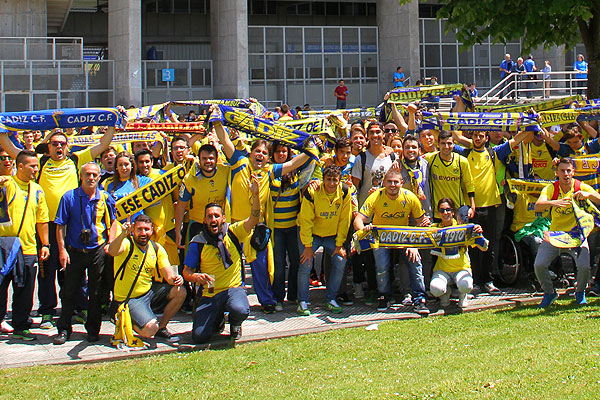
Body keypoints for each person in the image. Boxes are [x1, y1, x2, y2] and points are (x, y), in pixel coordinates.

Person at [0, 126, 115, 330]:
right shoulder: (40, 161)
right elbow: (13, 152)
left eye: (62, 143)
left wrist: (114, 123)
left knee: (72, 270)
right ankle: (47, 311)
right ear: (48, 147)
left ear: (67, 146)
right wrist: (2, 130)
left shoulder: (76, 159)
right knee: (47, 270)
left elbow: (103, 145)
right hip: (46, 225)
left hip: (71, 225)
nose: (59, 147)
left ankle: (79, 308)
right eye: (55, 144)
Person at [212, 117, 311, 313]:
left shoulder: (270, 171)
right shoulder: (238, 162)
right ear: (251, 153)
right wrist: (216, 121)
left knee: (261, 268)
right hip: (234, 227)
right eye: (258, 151)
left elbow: (293, 164)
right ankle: (227, 304)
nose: (261, 154)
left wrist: (310, 146)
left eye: (265, 153)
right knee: (229, 266)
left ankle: (266, 301)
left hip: (257, 229)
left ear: (268, 158)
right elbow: (225, 141)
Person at [182, 175, 261, 343]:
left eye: (217, 216)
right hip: (210, 292)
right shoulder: (198, 242)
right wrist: (196, 277)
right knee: (199, 337)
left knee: (240, 309)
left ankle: (235, 323)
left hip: (233, 288)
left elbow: (254, 218)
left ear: (223, 218)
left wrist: (255, 195)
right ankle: (216, 319)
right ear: (204, 219)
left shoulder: (234, 232)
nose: (213, 220)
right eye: (209, 216)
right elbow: (186, 272)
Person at [53, 162, 116, 345]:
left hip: (97, 250)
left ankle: (93, 330)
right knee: (69, 292)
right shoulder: (69, 197)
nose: (91, 178)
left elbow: (113, 221)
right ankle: (64, 329)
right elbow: (60, 226)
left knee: (96, 293)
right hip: (75, 251)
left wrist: (110, 243)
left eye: (94, 175)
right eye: (87, 174)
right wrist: (62, 250)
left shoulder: (104, 197)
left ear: (99, 177)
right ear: (81, 176)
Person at [354, 168, 431, 314]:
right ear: (384, 183)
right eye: (389, 182)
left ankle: (419, 299)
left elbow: (422, 222)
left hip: (403, 237)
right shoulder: (376, 196)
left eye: (396, 182)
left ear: (401, 183)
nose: (392, 185)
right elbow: (358, 219)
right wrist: (364, 230)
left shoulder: (410, 197)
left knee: (415, 262)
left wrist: (415, 242)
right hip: (382, 238)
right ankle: (384, 296)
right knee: (382, 267)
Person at [533, 158, 600, 308]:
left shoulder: (580, 186)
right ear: (556, 173)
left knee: (584, 267)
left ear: (573, 172)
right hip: (555, 235)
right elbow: (538, 206)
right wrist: (553, 202)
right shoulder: (551, 188)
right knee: (539, 264)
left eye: (568, 171)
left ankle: (580, 292)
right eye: (562, 171)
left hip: (576, 236)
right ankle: (550, 293)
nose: (566, 174)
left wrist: (589, 195)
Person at [108, 214, 186, 341]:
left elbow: (169, 275)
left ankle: (161, 327)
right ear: (133, 229)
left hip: (148, 293)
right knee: (150, 330)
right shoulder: (127, 244)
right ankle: (120, 317)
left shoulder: (156, 248)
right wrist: (122, 234)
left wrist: (176, 279)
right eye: (139, 229)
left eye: (146, 229)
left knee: (180, 291)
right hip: (128, 299)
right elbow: (112, 251)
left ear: (152, 230)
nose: (143, 233)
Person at [0, 151, 50, 341]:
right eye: (32, 166)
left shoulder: (37, 189)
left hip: (28, 248)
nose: (36, 170)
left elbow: (42, 219)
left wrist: (45, 244)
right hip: (4, 246)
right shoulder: (7, 184)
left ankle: (21, 324)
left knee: (25, 289)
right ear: (20, 166)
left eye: (37, 166)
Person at [297, 164, 352, 315]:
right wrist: (308, 246)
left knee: (341, 261)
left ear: (340, 180)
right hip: (312, 234)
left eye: (335, 180)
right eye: (328, 179)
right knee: (305, 264)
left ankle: (331, 299)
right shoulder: (312, 191)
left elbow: (344, 219)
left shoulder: (345, 191)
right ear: (323, 179)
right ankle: (302, 301)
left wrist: (340, 244)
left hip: (331, 235)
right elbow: (305, 220)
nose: (332, 183)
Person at [429, 198, 482, 310]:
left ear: (453, 212)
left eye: (448, 210)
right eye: (442, 210)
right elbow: (416, 237)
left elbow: (484, 247)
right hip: (442, 270)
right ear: (438, 213)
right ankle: (446, 293)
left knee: (465, 285)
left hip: (461, 268)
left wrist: (478, 232)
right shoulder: (433, 229)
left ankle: (463, 295)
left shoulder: (463, 227)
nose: (445, 213)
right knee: (435, 289)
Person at [424, 131, 476, 224]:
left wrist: (472, 206)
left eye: (449, 143)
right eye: (443, 143)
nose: (446, 147)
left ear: (454, 144)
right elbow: (412, 159)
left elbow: (469, 184)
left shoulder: (462, 161)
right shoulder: (430, 159)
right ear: (438, 144)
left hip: (457, 210)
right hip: (438, 212)